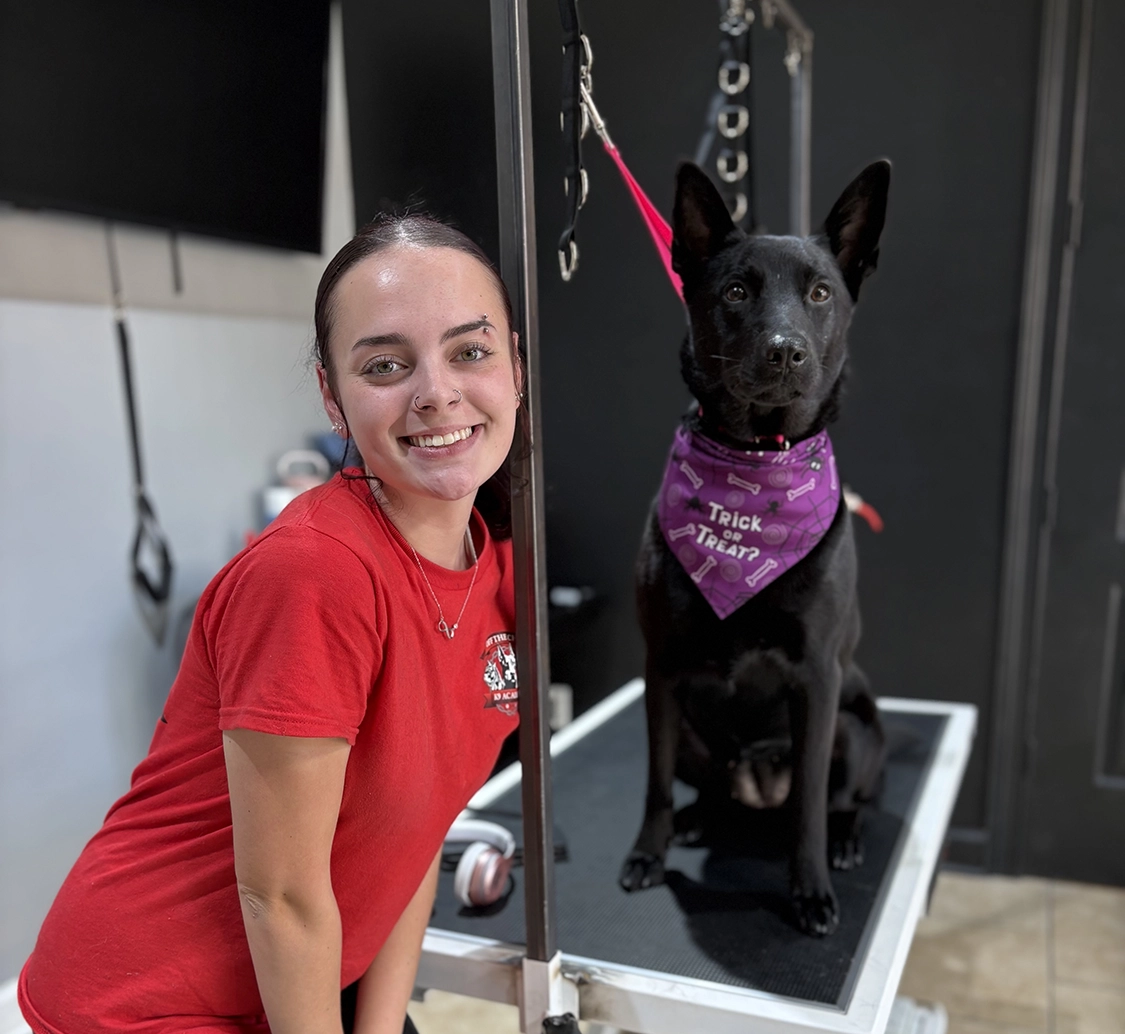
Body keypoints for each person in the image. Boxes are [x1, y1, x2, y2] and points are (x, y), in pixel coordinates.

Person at [18, 213, 525, 1034]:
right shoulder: (315, 573)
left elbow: (415, 839)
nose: (436, 391)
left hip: (294, 991)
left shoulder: (494, 562)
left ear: (515, 371)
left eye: (470, 350)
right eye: (387, 364)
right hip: (145, 1002)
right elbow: (280, 895)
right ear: (332, 395)